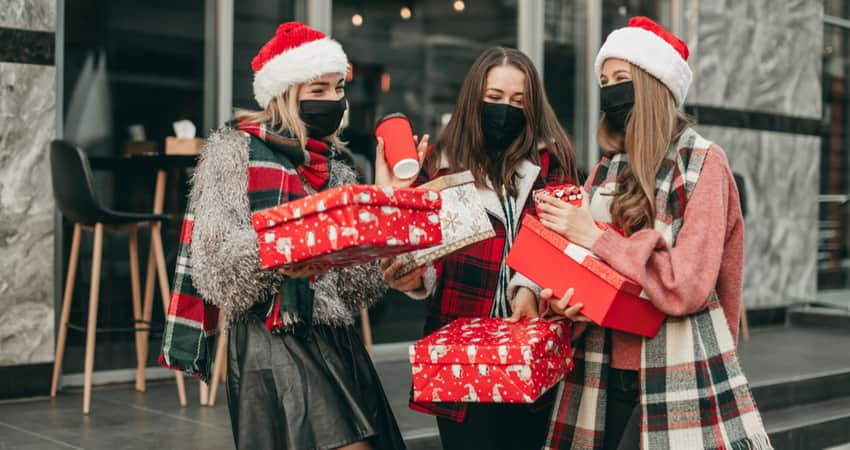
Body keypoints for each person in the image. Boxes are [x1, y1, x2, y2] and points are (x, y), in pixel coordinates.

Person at [519, 17, 772, 450]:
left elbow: (687, 284)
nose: (611, 90)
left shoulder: (703, 163)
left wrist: (595, 236)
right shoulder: (605, 169)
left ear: (655, 85)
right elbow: (580, 267)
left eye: (623, 78)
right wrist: (561, 302)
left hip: (679, 375)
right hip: (598, 375)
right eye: (604, 80)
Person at [159, 22, 406, 450]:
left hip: (333, 336)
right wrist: (290, 246)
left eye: (337, 88)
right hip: (269, 334)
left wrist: (382, 206)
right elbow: (215, 267)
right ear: (286, 94)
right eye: (318, 89)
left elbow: (355, 288)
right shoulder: (233, 152)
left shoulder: (337, 169)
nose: (333, 100)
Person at [377, 46, 579, 450]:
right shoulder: (440, 166)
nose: (506, 109)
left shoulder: (550, 162)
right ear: (474, 99)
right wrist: (411, 270)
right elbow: (423, 254)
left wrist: (527, 287)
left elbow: (560, 238)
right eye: (495, 98)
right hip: (459, 352)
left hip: (531, 348)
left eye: (518, 101)